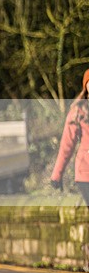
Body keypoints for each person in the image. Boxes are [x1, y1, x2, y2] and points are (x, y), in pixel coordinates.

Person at [50, 69, 89, 207]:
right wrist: (57, 174)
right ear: (86, 86)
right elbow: (67, 145)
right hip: (86, 174)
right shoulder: (78, 112)